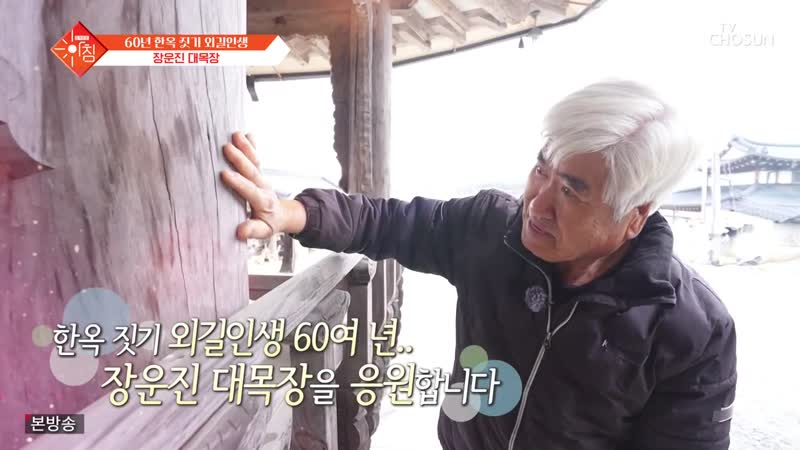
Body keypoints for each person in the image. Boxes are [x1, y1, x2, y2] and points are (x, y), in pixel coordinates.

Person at [220, 79, 737, 450]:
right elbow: (388, 222)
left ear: (634, 216)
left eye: (572, 191)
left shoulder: (692, 330)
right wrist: (290, 213)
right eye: (542, 169)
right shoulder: (492, 231)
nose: (537, 205)